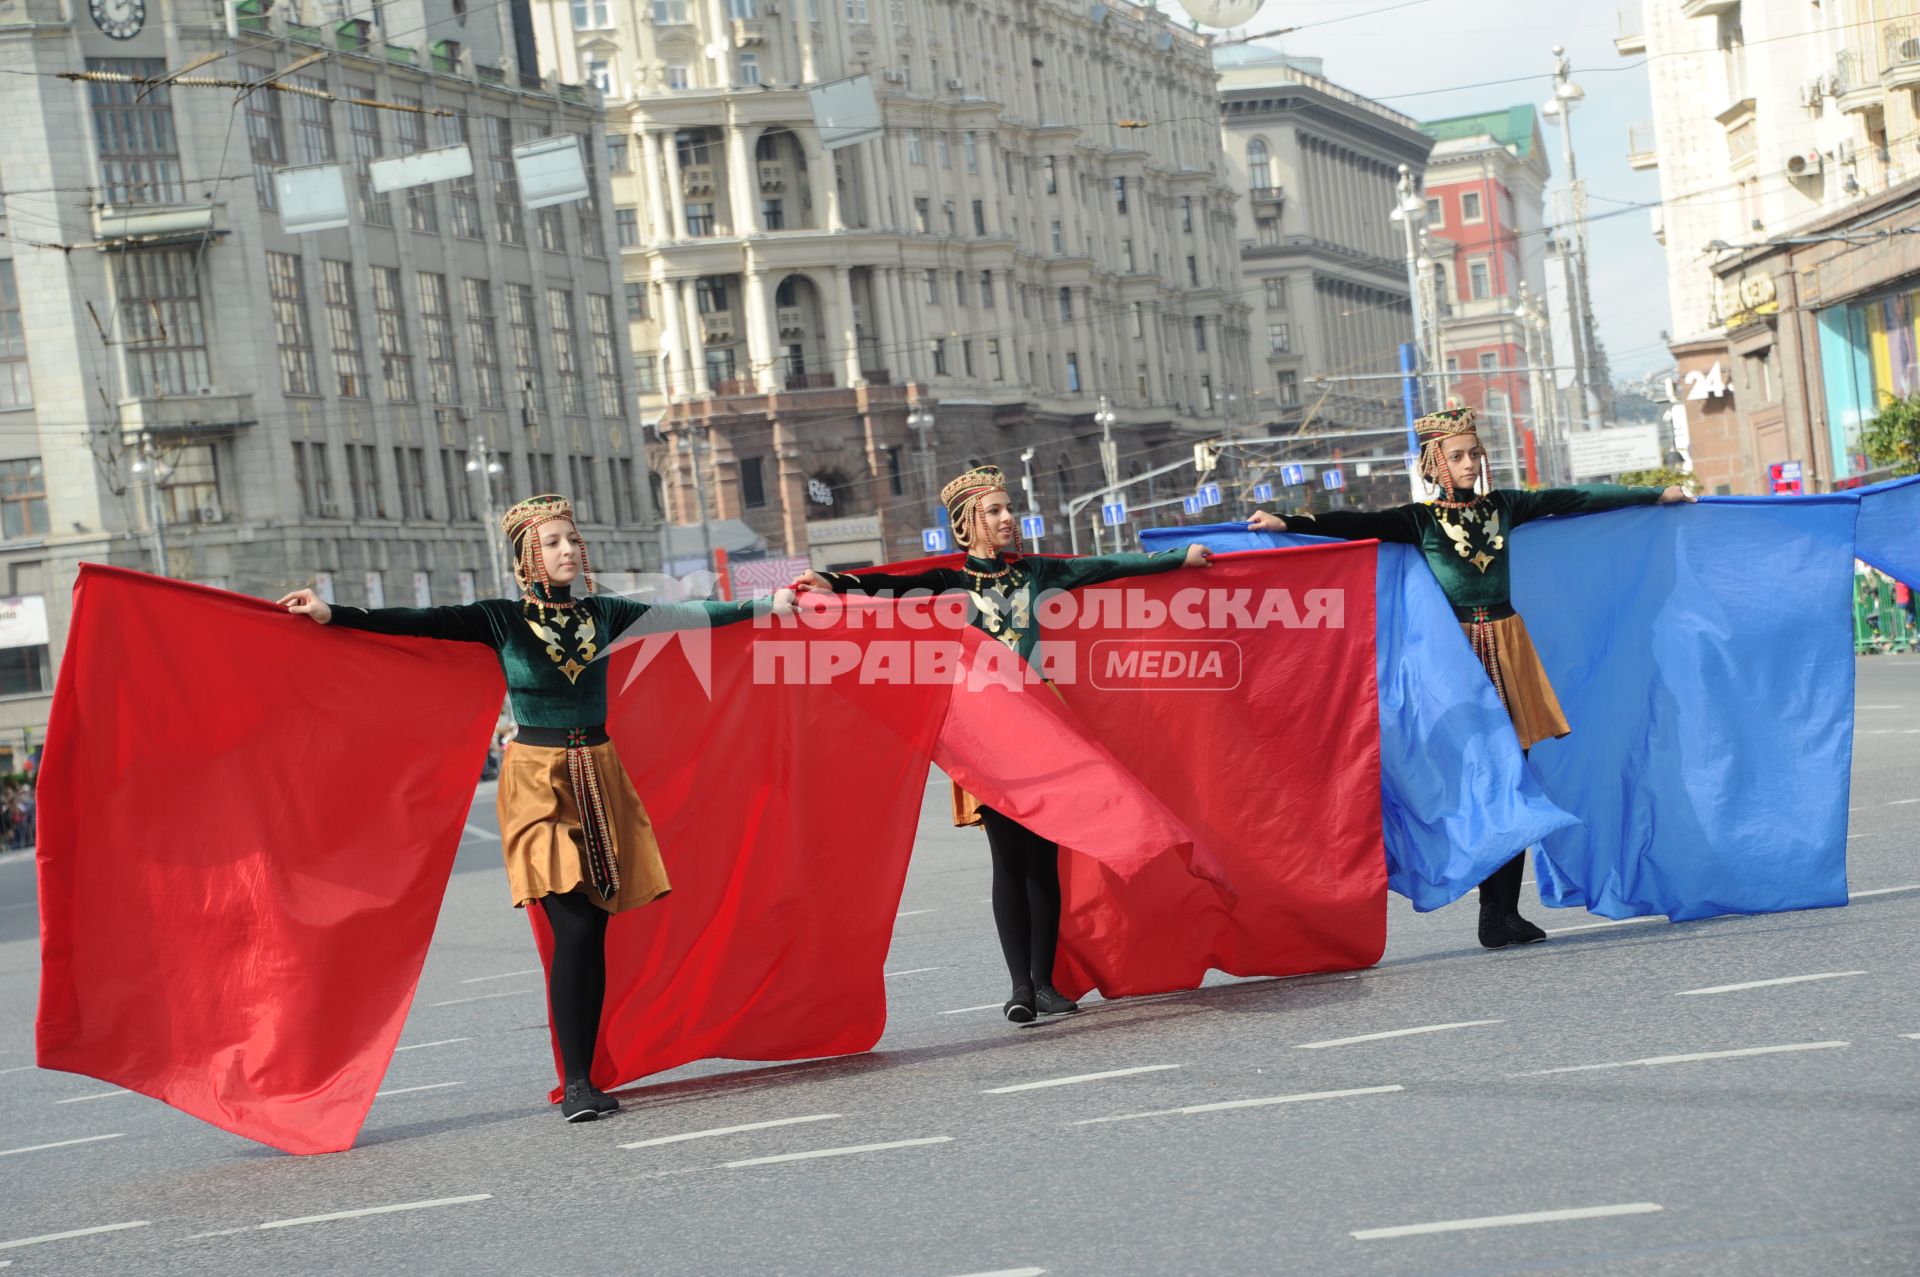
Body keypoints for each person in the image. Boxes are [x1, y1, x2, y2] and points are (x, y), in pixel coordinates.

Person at [280, 493, 794, 1122]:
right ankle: (576, 1084)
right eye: (552, 542)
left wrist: (767, 604)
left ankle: (588, 1074)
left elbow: (683, 613)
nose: (567, 550)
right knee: (572, 927)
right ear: (527, 556)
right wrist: (333, 613)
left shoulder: (605, 613)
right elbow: (419, 620)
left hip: (599, 775)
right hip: (534, 782)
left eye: (571, 540)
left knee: (595, 932)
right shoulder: (500, 619)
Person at [1248, 407, 1695, 949]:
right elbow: (1354, 523)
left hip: (1508, 652)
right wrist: (1288, 524)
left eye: (1472, 453)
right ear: (1434, 465)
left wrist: (1654, 496)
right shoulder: (1419, 520)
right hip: (1454, 660)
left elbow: (1574, 499)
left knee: (1515, 776)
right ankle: (1478, 897)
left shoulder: (1506, 506)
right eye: (1455, 455)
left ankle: (1501, 913)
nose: (1468, 462)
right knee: (1488, 778)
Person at [794, 465, 1211, 1023]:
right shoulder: (948, 584)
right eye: (994, 511)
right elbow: (884, 586)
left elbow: (1100, 567)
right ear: (968, 524)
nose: (1008, 518)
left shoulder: (1036, 572)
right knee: (1010, 857)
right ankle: (1019, 987)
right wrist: (832, 583)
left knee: (1045, 859)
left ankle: (1044, 983)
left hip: (1046, 731)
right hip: (989, 742)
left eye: (1007, 508)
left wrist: (1176, 560)